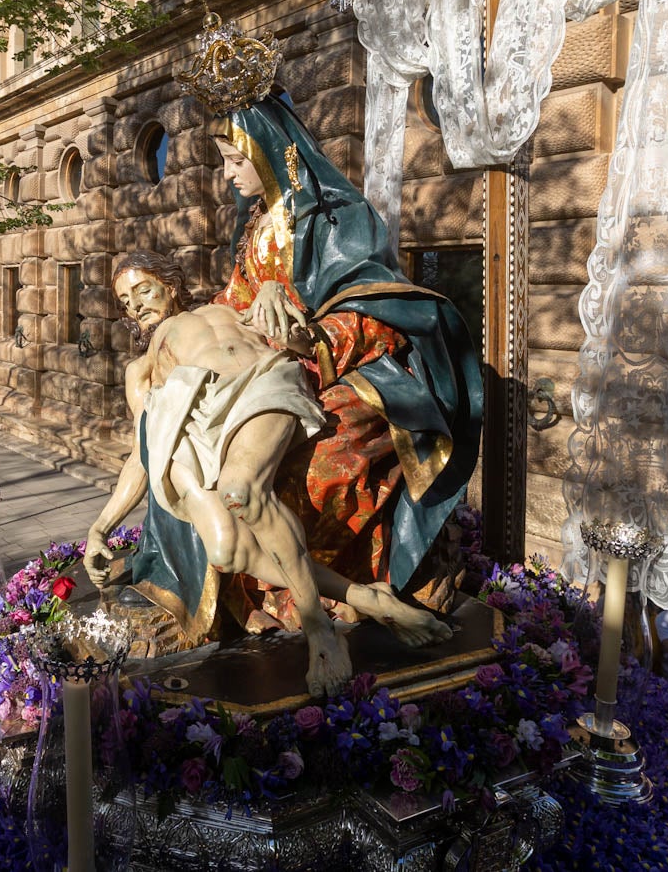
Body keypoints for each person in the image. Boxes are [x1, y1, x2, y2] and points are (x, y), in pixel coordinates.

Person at [122, 16, 482, 639]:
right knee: (183, 439)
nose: (229, 174)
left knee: (312, 463)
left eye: (237, 160)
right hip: (268, 377)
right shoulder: (256, 232)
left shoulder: (339, 219)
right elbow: (229, 311)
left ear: (272, 151)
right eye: (226, 161)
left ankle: (329, 601)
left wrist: (306, 336)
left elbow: (381, 315)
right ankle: (235, 591)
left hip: (345, 370)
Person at [85, 252, 449, 695]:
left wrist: (276, 296)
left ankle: (320, 630)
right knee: (226, 551)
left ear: (170, 285)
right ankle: (365, 597)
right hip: (196, 415)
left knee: (243, 489)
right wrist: (101, 526)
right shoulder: (140, 370)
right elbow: (147, 451)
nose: (135, 305)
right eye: (125, 301)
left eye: (143, 290)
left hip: (260, 383)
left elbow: (294, 325)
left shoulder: (228, 307)